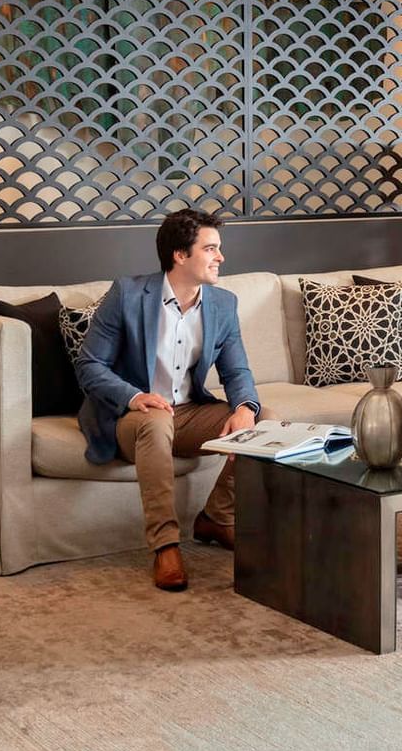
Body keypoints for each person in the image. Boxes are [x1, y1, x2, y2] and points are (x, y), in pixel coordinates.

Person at [75, 208, 265, 591]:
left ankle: (217, 516)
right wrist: (133, 396)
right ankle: (165, 546)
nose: (220, 257)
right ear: (180, 255)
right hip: (132, 416)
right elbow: (89, 365)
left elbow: (237, 372)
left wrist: (246, 408)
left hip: (189, 412)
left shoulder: (223, 304)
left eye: (218, 248)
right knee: (157, 419)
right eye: (210, 249)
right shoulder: (128, 294)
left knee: (262, 421)